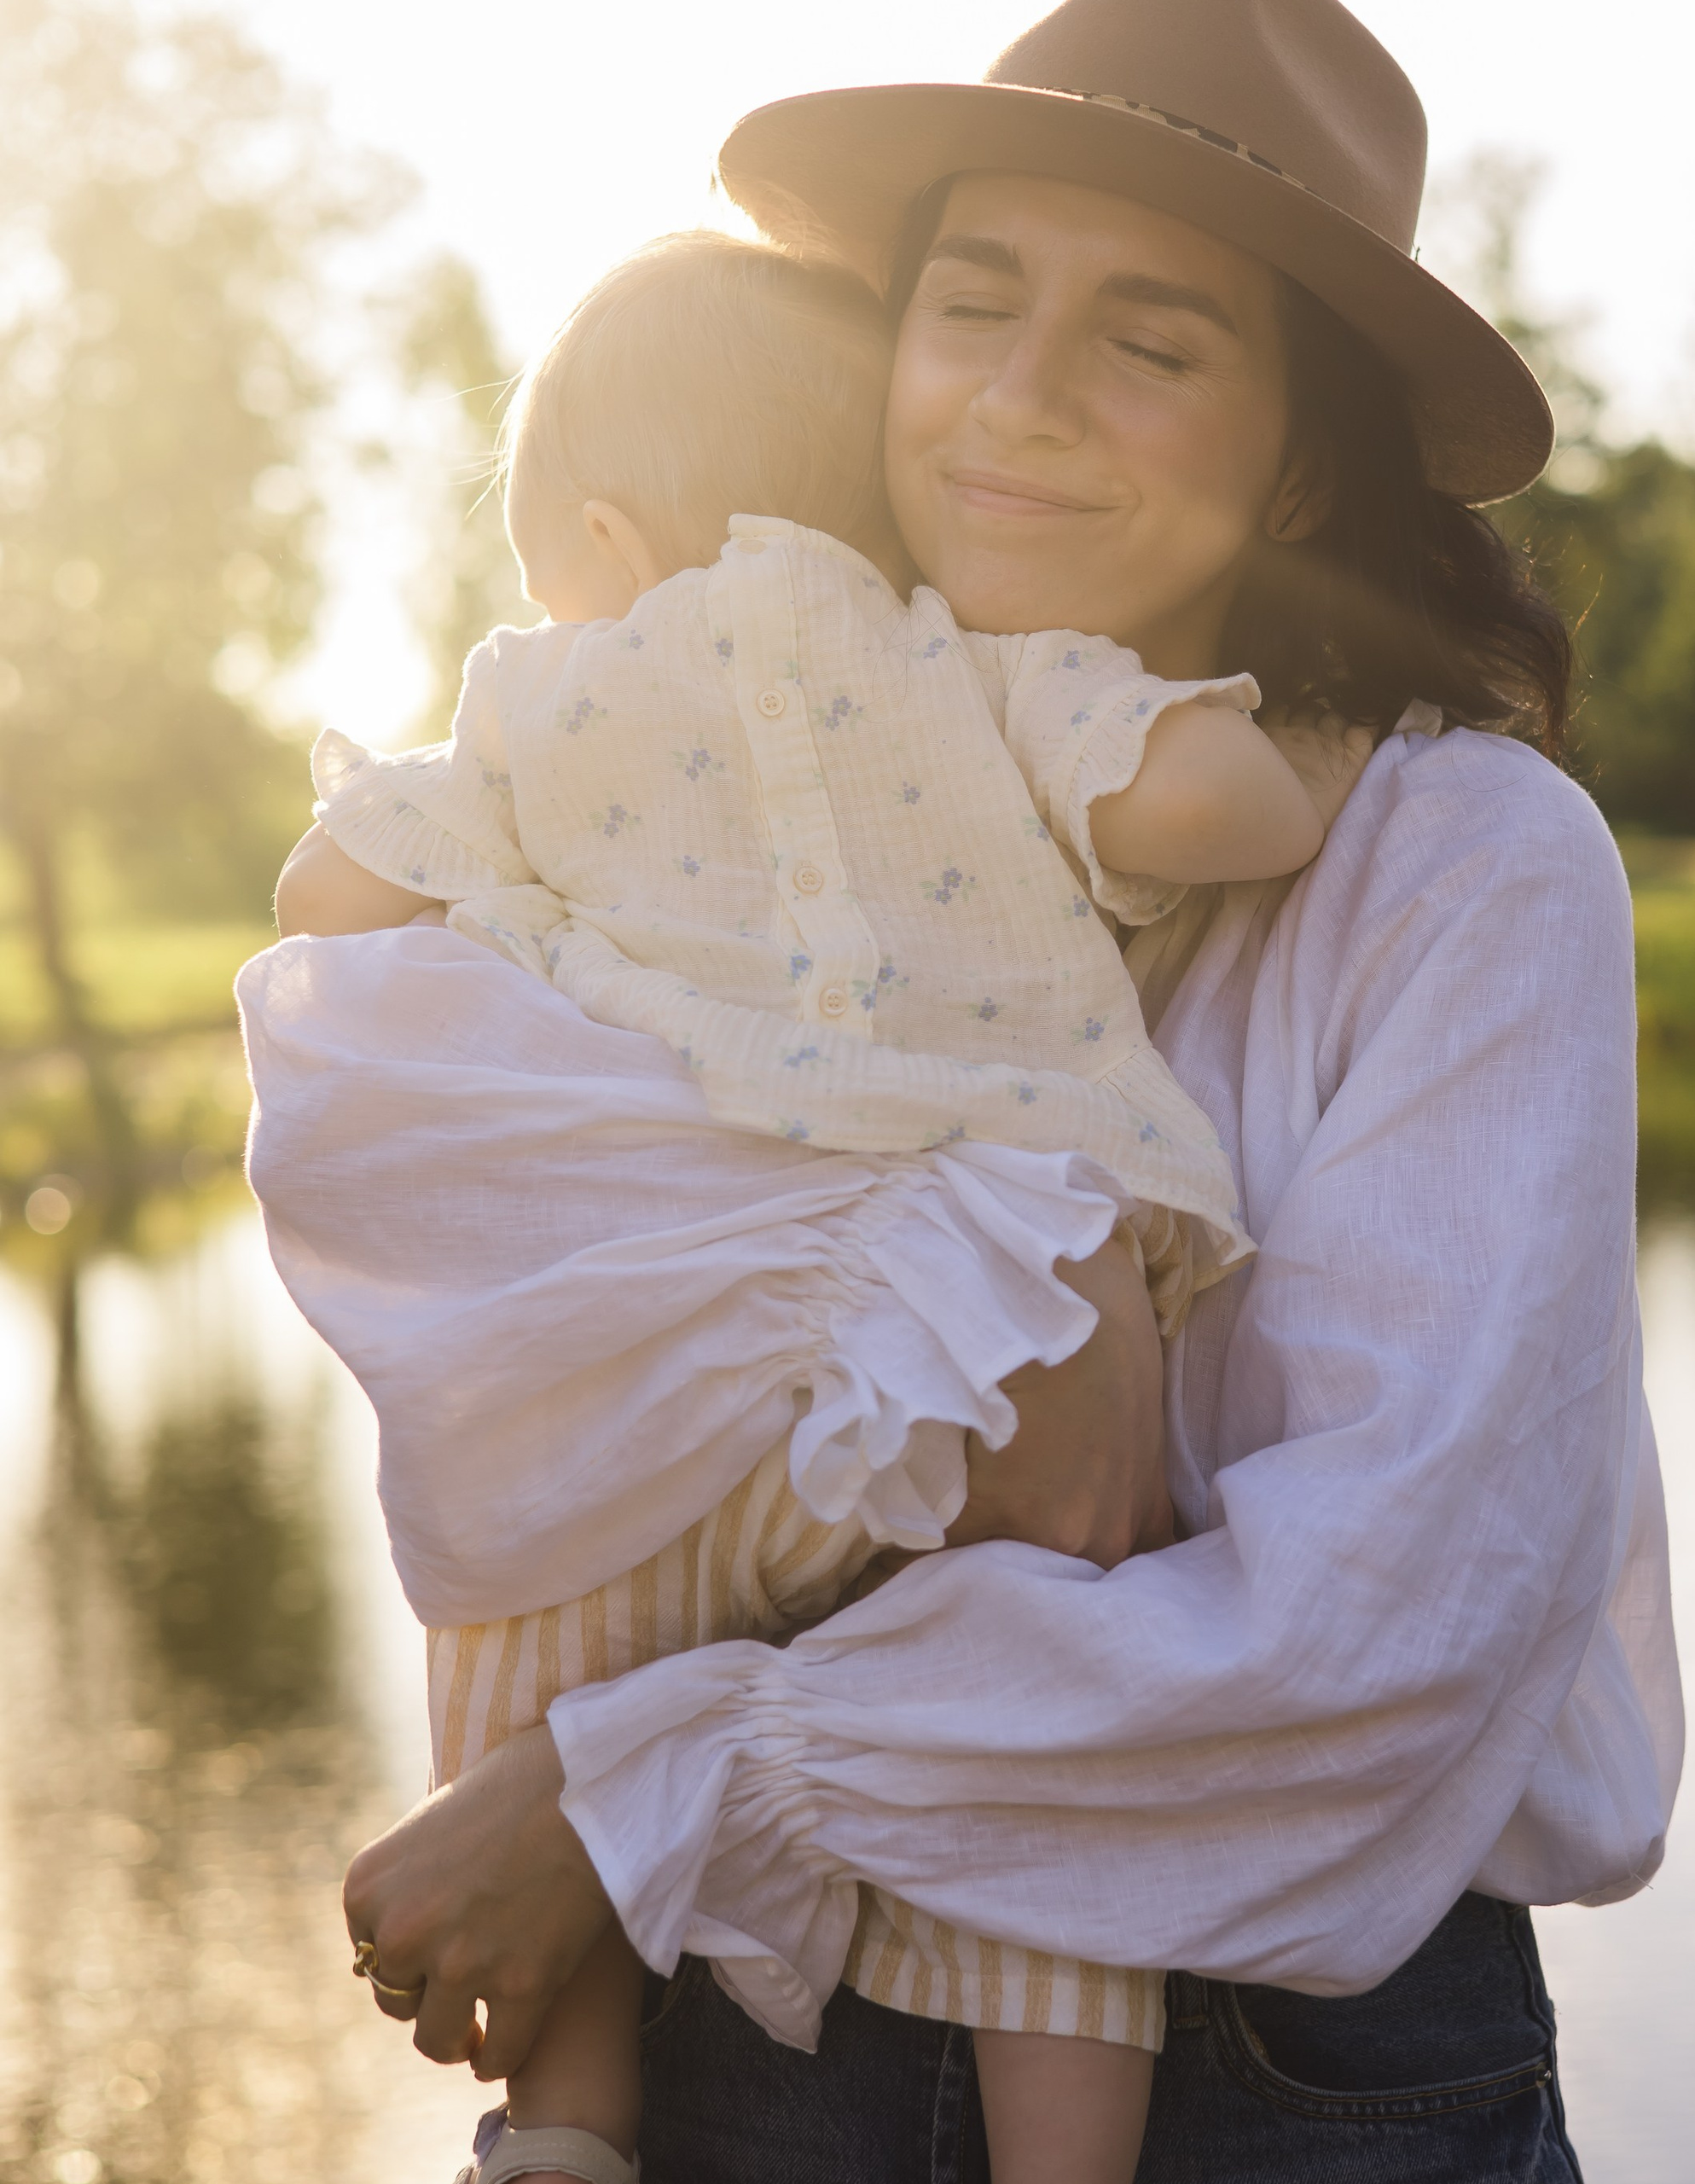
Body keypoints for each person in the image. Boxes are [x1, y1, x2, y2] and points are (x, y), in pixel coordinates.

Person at [340, 1, 1686, 2177]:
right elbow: (439, 1219)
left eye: (1146, 343)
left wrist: (645, 1776)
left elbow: (1377, 1635)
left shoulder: (1461, 862)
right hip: (746, 2022)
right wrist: (947, 1291)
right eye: (970, 302)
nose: (1019, 398)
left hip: (1275, 2060)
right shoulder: (687, 776)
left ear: (1303, 462)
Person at [254, 230, 1378, 2184]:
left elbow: (320, 913)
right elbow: (1230, 817)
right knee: (1038, 1740)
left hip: (689, 1368)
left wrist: (527, 895)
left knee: (525, 1614)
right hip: (995, 1321)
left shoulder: (536, 699)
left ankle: (571, 2124)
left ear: (593, 532)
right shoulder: (966, 662)